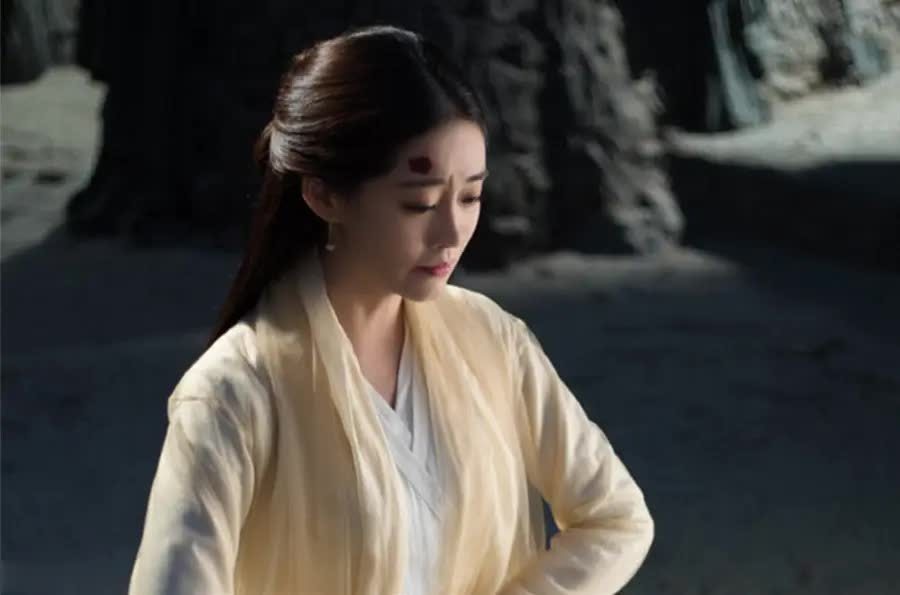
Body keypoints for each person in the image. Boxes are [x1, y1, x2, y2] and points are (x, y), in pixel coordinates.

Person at [128, 25, 654, 595]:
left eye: (471, 196)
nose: (452, 232)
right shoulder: (235, 391)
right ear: (324, 195)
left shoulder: (493, 340)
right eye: (419, 203)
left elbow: (615, 518)